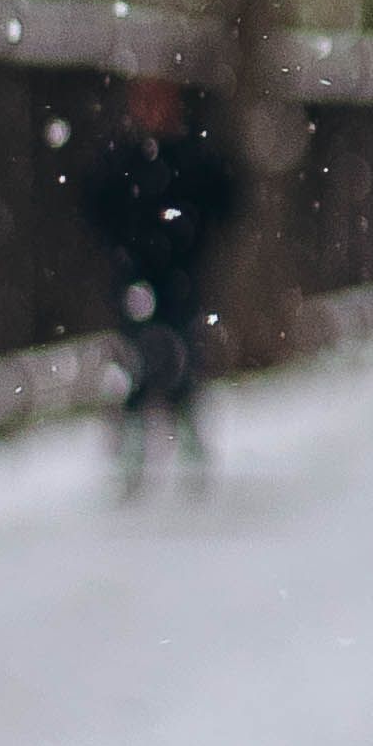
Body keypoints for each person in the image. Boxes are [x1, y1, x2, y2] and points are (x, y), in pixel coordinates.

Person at [81, 74, 245, 493]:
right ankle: (134, 452)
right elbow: (96, 204)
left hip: (181, 277)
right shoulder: (125, 158)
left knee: (183, 357)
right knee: (136, 362)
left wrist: (192, 238)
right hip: (136, 277)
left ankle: (186, 443)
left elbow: (226, 198)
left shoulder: (191, 156)